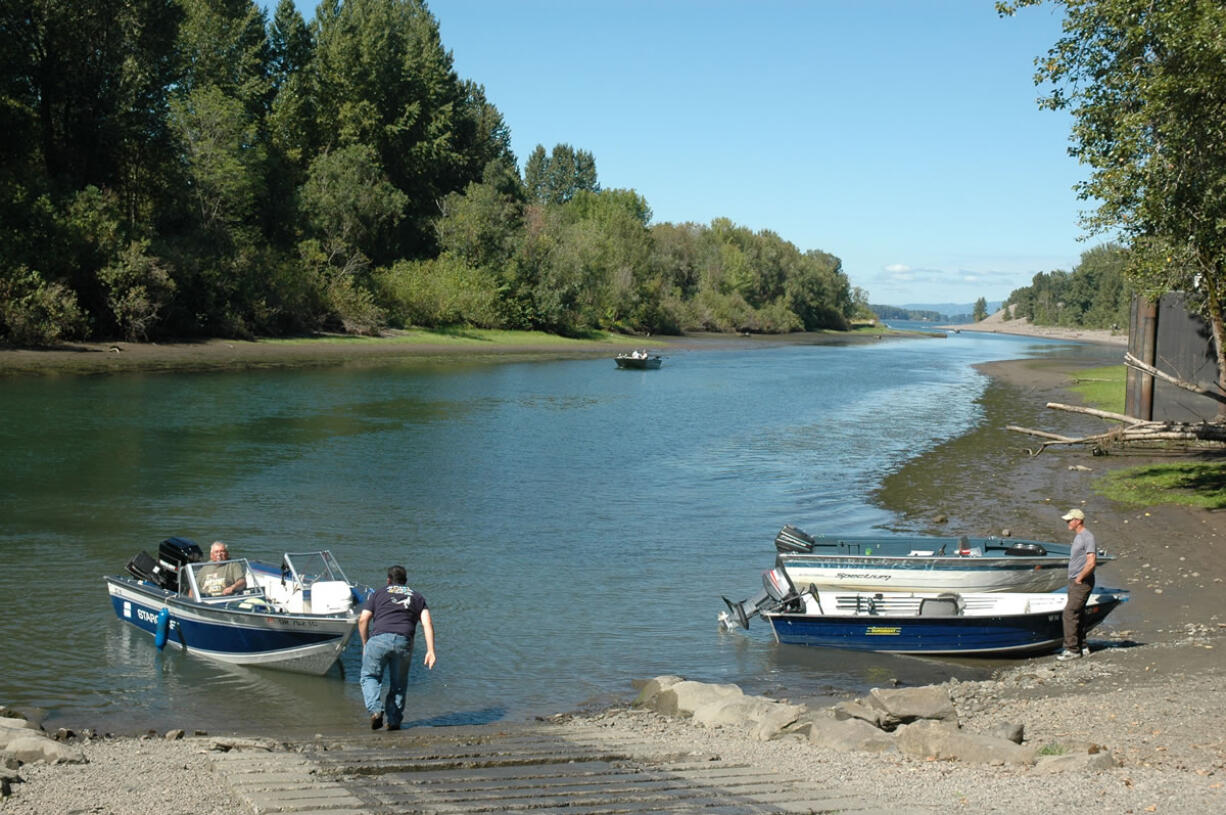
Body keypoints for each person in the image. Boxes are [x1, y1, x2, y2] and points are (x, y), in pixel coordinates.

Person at [359, 565, 436, 731]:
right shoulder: (417, 597)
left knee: (370, 677)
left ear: (388, 580)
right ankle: (393, 722)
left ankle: (375, 710)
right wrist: (430, 650)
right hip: (403, 642)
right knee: (398, 684)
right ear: (406, 582)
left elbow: (363, 619)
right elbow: (427, 623)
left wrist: (365, 643)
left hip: (378, 640)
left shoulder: (377, 593)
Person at [1057, 508, 1097, 661]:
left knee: (1069, 613)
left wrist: (1079, 578)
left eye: (1069, 520)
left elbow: (1091, 561)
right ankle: (1083, 646)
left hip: (1081, 582)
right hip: (1076, 582)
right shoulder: (1079, 536)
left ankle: (1072, 650)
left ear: (1078, 521)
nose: (1067, 522)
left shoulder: (1087, 537)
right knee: (1078, 613)